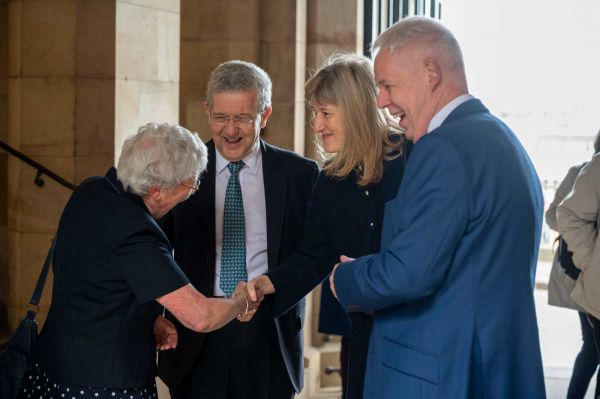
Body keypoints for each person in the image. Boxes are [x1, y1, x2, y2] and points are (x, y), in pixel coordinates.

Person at [328, 16, 546, 398]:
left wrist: (344, 278)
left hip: (440, 374)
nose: (381, 101)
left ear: (430, 72)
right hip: (491, 367)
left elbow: (409, 273)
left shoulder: (442, 148)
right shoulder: (503, 139)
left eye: (387, 85)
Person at [17, 123, 259, 399]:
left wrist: (147, 318)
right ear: (156, 190)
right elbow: (200, 317)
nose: (193, 190)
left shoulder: (92, 191)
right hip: (102, 385)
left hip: (52, 366)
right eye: (190, 183)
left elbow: (97, 280)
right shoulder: (136, 233)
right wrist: (243, 300)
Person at [247, 53, 409, 399]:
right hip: (365, 334)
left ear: (354, 110)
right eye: (315, 114)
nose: (317, 126)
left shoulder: (415, 159)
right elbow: (313, 256)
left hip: (418, 331)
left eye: (325, 113)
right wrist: (264, 284)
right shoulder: (331, 180)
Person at [157, 60, 319, 399]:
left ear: (265, 114)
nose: (230, 131)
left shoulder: (301, 175)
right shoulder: (178, 172)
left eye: (242, 118)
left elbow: (313, 254)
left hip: (269, 331)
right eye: (221, 117)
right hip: (196, 335)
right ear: (207, 111)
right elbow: (152, 250)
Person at [547, 131, 600, 399]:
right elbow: (556, 215)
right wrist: (590, 255)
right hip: (584, 277)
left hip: (588, 273)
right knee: (591, 346)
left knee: (591, 347)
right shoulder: (581, 172)